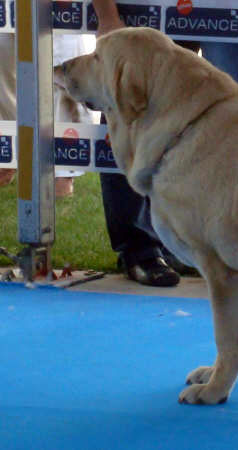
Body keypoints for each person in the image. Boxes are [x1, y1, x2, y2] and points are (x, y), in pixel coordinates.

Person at [92, 0, 187, 287]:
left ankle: (172, 245)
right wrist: (107, 16)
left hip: (189, 15)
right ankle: (139, 250)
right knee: (125, 115)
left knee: (182, 126)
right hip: (132, 13)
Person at [0, 33, 91, 197]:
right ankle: (10, 153)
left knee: (62, 75)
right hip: (10, 9)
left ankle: (64, 171)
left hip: (56, 14)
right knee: (3, 57)